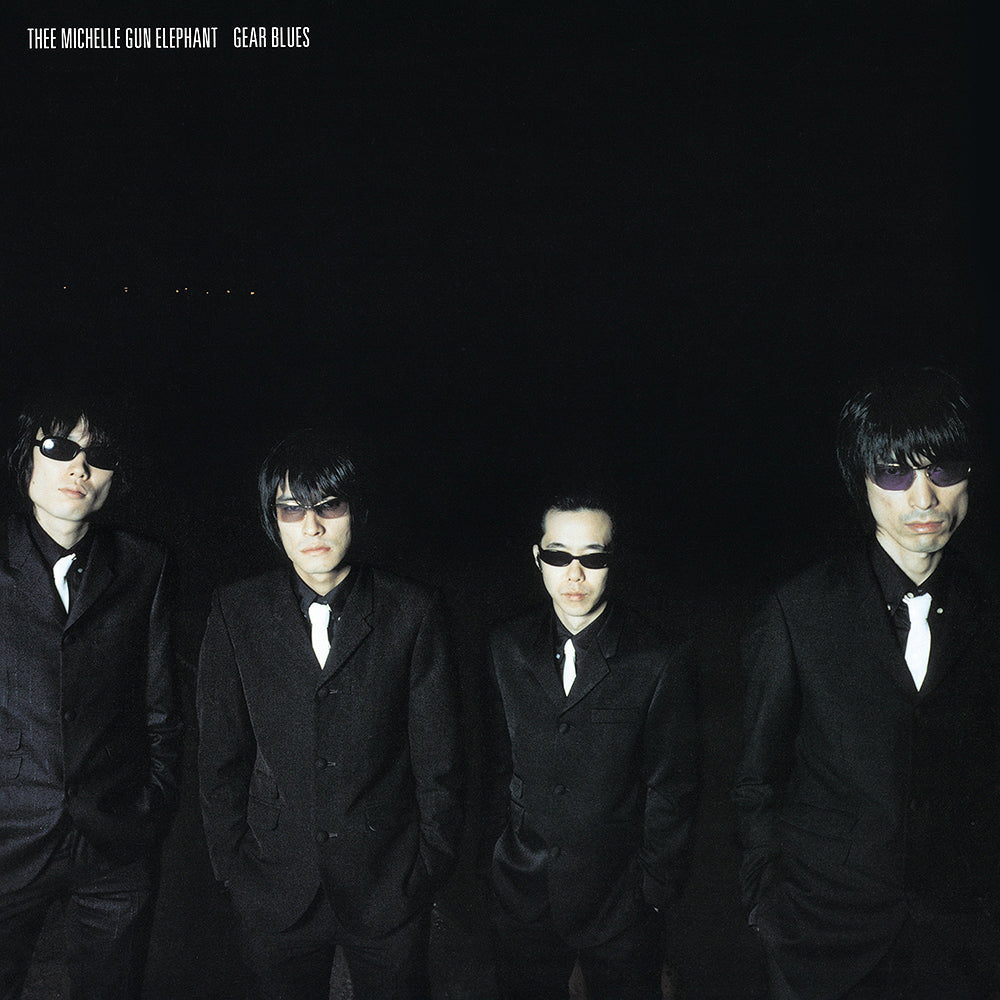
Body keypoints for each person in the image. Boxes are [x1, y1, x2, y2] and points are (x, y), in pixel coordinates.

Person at [733, 368, 1000, 999]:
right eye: (895, 473)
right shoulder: (798, 611)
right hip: (819, 937)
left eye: (943, 470)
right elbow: (756, 778)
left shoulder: (989, 609)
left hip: (958, 943)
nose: (924, 499)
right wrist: (767, 903)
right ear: (862, 482)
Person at [196, 429, 463, 1000]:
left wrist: (426, 868)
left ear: (355, 511)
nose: (311, 527)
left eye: (328, 506)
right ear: (273, 520)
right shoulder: (236, 611)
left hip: (388, 883)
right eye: (291, 509)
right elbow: (221, 754)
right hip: (273, 884)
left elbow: (439, 758)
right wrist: (233, 868)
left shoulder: (413, 611)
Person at [0, 394, 183, 1000]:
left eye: (97, 456)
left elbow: (161, 707)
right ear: (26, 458)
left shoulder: (145, 566)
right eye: (59, 447)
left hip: (115, 844)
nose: (78, 467)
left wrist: (151, 807)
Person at [482, 495, 700, 1000]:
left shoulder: (659, 657)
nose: (574, 574)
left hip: (620, 901)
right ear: (538, 558)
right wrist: (493, 863)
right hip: (522, 892)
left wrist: (653, 892)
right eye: (558, 556)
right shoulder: (505, 645)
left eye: (593, 558)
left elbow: (673, 786)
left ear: (613, 561)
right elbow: (494, 765)